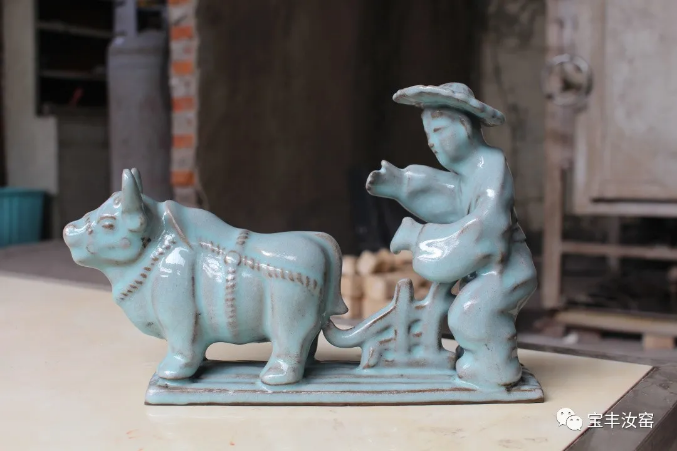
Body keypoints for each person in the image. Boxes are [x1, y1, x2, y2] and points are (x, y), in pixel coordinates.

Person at [366, 82, 537, 387]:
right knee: (471, 314)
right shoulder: (468, 174)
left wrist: (419, 237)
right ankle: (480, 357)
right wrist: (402, 184)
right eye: (428, 134)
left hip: (509, 269)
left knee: (470, 313)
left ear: (464, 127)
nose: (432, 143)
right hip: (489, 271)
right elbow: (447, 198)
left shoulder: (492, 165)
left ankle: (497, 370)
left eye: (439, 131)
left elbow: (488, 228)